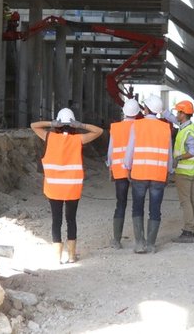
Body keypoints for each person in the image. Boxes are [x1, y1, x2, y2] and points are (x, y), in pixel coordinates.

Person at [31, 108, 103, 264]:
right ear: (73, 125)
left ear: (58, 124)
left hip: (54, 188)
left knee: (56, 221)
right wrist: (81, 124)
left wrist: (51, 123)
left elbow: (33, 125)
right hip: (72, 188)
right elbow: (99, 131)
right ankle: (71, 255)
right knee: (71, 220)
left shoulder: (49, 137)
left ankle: (57, 257)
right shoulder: (78, 139)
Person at [124, 94, 172, 254]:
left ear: (146, 109)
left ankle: (139, 243)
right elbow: (169, 154)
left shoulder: (137, 126)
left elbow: (130, 149)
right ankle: (151, 244)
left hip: (139, 173)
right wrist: (168, 170)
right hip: (158, 174)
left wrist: (127, 166)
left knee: (137, 207)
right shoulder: (166, 128)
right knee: (155, 209)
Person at [106, 98, 141, 248]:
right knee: (137, 205)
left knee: (121, 204)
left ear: (124, 112)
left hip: (120, 171)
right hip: (137, 170)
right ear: (138, 113)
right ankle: (139, 241)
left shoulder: (115, 127)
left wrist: (110, 166)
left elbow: (110, 151)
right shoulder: (140, 126)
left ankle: (117, 240)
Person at [169, 100, 194, 243]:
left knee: (185, 202)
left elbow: (192, 151)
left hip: (184, 172)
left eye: (178, 112)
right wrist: (164, 112)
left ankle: (188, 231)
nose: (176, 114)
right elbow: (173, 119)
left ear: (183, 114)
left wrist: (178, 158)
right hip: (191, 172)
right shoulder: (187, 127)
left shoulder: (187, 131)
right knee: (193, 200)